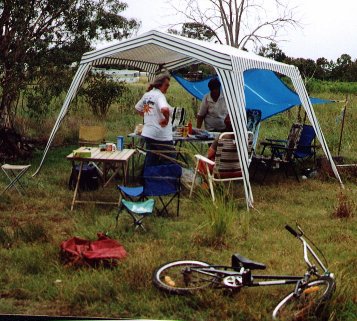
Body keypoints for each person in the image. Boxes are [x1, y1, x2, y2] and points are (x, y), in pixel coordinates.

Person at [135, 73, 176, 166]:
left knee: (151, 158)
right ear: (159, 84)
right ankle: (167, 179)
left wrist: (148, 116)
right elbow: (164, 109)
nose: (167, 87)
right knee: (170, 159)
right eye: (166, 85)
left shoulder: (147, 95)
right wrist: (166, 119)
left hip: (148, 133)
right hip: (160, 135)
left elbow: (138, 108)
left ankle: (147, 179)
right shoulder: (159, 96)